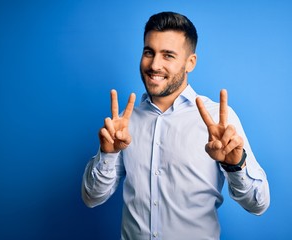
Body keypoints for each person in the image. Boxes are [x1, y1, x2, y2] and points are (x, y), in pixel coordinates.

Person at [82, 11, 270, 240]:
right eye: (148, 52)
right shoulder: (124, 123)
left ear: (190, 62)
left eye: (168, 55)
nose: (154, 65)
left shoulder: (219, 121)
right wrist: (107, 155)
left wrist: (235, 166)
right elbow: (91, 198)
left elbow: (258, 204)